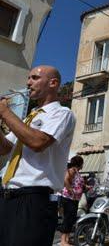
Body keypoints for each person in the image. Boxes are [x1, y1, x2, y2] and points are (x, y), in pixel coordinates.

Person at [0, 65, 76, 246]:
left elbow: (37, 142)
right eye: (28, 78)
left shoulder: (62, 113)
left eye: (34, 78)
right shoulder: (29, 118)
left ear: (53, 83)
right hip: (7, 196)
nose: (28, 82)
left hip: (34, 199)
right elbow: (5, 149)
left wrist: (4, 112)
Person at [59, 155, 85, 246]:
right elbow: (66, 180)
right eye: (82, 163)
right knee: (67, 219)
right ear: (79, 163)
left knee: (71, 219)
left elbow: (77, 184)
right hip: (69, 199)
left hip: (74, 200)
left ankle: (67, 239)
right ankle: (63, 241)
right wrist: (71, 191)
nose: (83, 165)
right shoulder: (72, 170)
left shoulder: (77, 172)